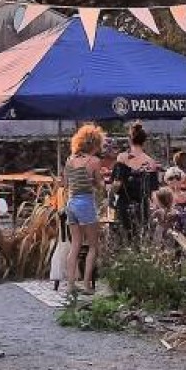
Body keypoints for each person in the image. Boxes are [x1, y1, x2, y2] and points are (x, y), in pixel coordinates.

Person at [61, 125, 106, 292]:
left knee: (75, 245)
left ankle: (70, 284)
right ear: (94, 143)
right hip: (86, 203)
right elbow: (100, 185)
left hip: (71, 204)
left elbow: (65, 184)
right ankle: (87, 284)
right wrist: (100, 183)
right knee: (93, 246)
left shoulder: (69, 160)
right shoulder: (93, 161)